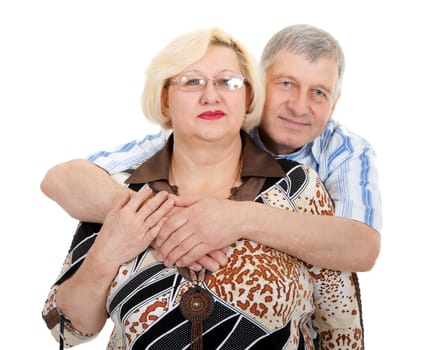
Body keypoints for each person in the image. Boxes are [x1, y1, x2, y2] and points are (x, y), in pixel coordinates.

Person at [42, 27, 363, 349]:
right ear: (165, 99)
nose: (211, 95)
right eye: (192, 81)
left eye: (228, 81)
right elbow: (66, 331)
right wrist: (107, 252)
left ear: (249, 96)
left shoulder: (299, 189)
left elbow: (341, 328)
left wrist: (241, 219)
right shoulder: (118, 192)